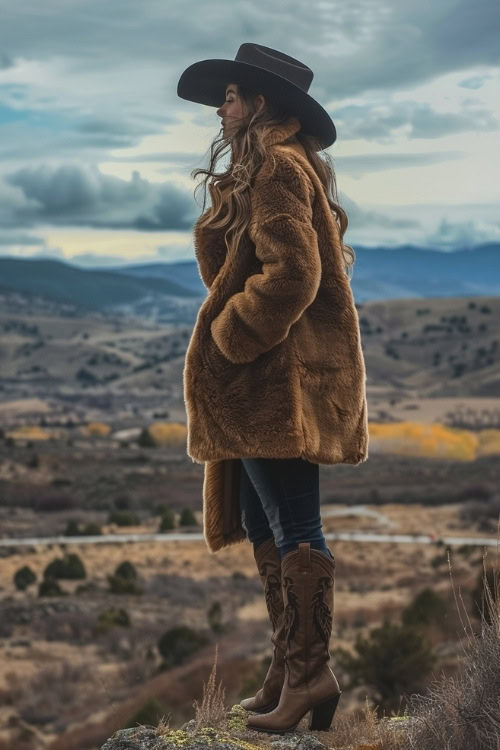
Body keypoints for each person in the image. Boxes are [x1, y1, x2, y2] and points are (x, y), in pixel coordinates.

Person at [177, 43, 369, 735]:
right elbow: (235, 265)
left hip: (276, 385)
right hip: (261, 388)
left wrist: (232, 335)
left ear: (260, 103)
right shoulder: (262, 171)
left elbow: (294, 276)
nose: (221, 107)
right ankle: (292, 669)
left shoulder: (280, 169)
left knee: (295, 527)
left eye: (231, 95)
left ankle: (312, 676)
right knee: (267, 527)